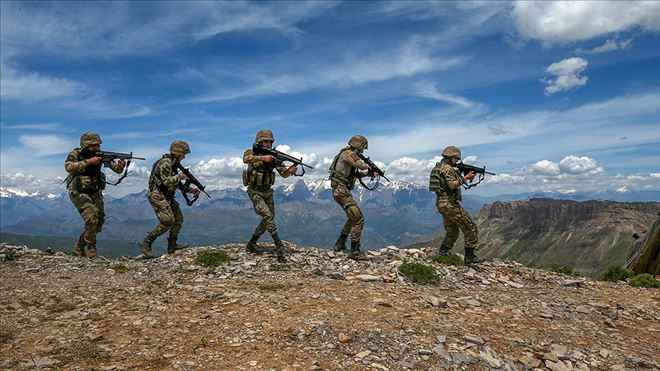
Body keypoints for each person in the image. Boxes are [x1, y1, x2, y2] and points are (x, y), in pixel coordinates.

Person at [65, 131, 125, 258]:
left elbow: (117, 170)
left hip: (94, 191)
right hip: (78, 191)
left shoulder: (100, 156)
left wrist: (121, 166)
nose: (97, 148)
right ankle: (91, 249)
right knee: (91, 217)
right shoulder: (76, 154)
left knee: (98, 222)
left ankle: (78, 248)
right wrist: (89, 162)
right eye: (93, 146)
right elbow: (69, 167)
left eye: (98, 145)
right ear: (85, 145)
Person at [138, 140, 199, 258]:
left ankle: (172, 245)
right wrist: (180, 176)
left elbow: (177, 185)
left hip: (167, 196)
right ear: (178, 153)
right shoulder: (165, 163)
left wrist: (192, 190)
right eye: (183, 154)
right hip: (158, 196)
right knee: (168, 221)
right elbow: (166, 182)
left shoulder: (173, 163)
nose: (184, 157)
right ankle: (146, 242)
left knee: (178, 219)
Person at [243, 130, 297, 261]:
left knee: (269, 217)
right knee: (267, 216)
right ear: (259, 142)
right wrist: (262, 158)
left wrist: (290, 170)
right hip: (254, 191)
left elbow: (283, 174)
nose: (268, 144)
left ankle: (251, 243)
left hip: (267, 191)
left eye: (270, 141)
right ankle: (279, 245)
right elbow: (245, 159)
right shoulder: (251, 152)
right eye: (265, 141)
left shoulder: (274, 157)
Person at [429, 146, 483, 264]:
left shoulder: (440, 167)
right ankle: (470, 257)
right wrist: (466, 178)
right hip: (449, 203)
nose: (457, 161)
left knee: (453, 231)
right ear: (451, 157)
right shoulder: (447, 168)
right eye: (456, 159)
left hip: (441, 204)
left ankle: (443, 253)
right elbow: (452, 185)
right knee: (470, 227)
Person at [329, 135, 376, 260]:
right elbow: (358, 164)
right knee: (359, 218)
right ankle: (354, 251)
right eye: (362, 149)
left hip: (341, 190)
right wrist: (368, 166)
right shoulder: (347, 154)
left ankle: (340, 243)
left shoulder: (346, 154)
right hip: (341, 190)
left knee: (352, 217)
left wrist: (368, 173)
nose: (362, 152)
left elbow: (356, 174)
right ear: (358, 146)